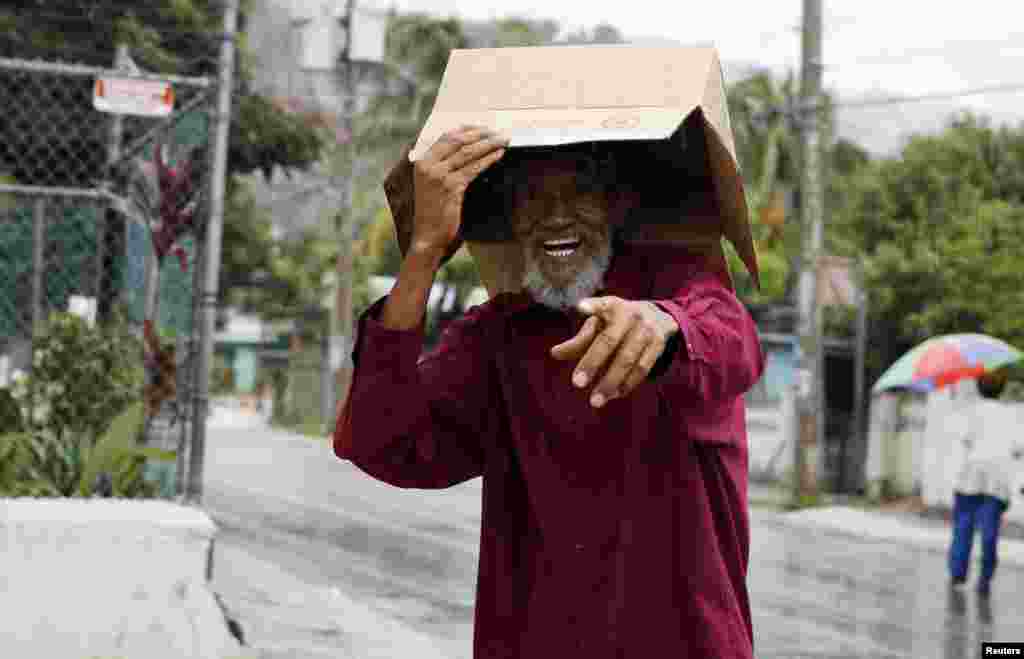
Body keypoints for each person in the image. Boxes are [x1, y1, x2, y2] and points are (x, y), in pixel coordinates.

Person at [333, 123, 764, 658]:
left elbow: (733, 340)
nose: (555, 214)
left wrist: (663, 324)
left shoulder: (686, 294)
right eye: (531, 196)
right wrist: (424, 250)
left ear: (618, 205)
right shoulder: (497, 338)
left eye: (579, 191)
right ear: (513, 220)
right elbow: (377, 441)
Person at [948, 372, 1019, 597]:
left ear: (978, 388)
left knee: (963, 527)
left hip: (971, 476)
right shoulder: (1011, 415)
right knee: (990, 531)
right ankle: (985, 578)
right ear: (1003, 388)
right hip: (996, 481)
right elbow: (1018, 448)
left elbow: (965, 440)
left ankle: (958, 573)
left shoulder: (971, 411)